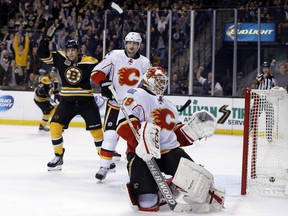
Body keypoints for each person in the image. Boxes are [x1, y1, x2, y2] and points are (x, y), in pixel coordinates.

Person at [116, 67, 225, 212]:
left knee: (197, 185)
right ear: (148, 79)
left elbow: (175, 136)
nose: (161, 84)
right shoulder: (137, 95)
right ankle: (161, 191)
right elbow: (123, 125)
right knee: (147, 203)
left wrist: (191, 131)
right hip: (140, 154)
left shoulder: (169, 105)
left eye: (163, 81)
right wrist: (141, 144)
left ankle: (171, 183)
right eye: (158, 80)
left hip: (169, 152)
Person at [37, 23, 106, 171]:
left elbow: (102, 72)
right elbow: (42, 54)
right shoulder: (60, 57)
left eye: (73, 50)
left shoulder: (89, 61)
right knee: (54, 126)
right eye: (68, 50)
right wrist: (46, 40)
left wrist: (105, 83)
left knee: (97, 131)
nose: (70, 53)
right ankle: (58, 156)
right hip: (66, 101)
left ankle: (104, 159)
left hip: (86, 101)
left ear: (78, 51)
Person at [90, 32, 152, 180]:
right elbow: (96, 73)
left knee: (136, 139)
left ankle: (138, 168)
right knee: (110, 136)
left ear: (139, 45)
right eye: (129, 43)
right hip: (115, 105)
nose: (132, 46)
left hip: (133, 108)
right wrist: (104, 83)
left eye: (135, 43)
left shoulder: (144, 62)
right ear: (125, 43)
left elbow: (149, 85)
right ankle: (104, 166)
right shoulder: (114, 56)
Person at [253, 61, 277, 142]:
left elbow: (274, 87)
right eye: (264, 68)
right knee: (254, 116)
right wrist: (264, 76)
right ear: (262, 69)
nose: (265, 69)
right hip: (259, 99)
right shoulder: (259, 75)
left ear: (269, 69)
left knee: (270, 118)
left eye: (267, 68)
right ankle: (248, 131)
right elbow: (259, 80)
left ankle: (269, 136)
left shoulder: (272, 77)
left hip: (268, 100)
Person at [33, 67, 59, 131]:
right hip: (39, 100)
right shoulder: (45, 79)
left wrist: (57, 95)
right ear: (49, 73)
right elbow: (38, 89)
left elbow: (55, 90)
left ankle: (42, 126)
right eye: (51, 73)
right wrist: (41, 91)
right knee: (51, 111)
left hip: (46, 99)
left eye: (54, 73)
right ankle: (54, 126)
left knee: (47, 113)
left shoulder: (55, 80)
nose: (53, 74)